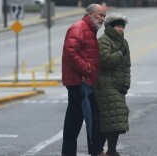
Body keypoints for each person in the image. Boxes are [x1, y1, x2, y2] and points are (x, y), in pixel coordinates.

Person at [61, 4, 107, 156]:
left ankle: (70, 153)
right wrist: (86, 68)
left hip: (81, 82)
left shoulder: (89, 29)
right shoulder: (79, 27)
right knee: (93, 117)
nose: (103, 18)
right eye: (100, 15)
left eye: (104, 16)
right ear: (90, 14)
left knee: (74, 121)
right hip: (80, 81)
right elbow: (70, 52)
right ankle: (97, 151)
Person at [95, 13, 131, 156]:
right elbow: (105, 61)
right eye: (118, 26)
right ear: (110, 27)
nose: (121, 29)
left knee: (116, 118)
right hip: (104, 86)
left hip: (117, 86)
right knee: (111, 118)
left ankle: (109, 150)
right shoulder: (103, 41)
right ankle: (102, 150)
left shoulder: (124, 43)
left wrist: (126, 84)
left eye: (122, 27)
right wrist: (120, 54)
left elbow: (127, 66)